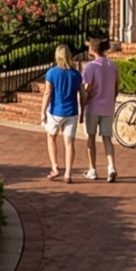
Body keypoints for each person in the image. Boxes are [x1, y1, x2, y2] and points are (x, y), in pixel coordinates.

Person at [79, 35, 120, 182]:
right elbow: (116, 88)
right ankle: (111, 167)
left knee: (91, 137)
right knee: (107, 138)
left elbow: (87, 88)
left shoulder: (90, 67)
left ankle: (93, 169)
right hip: (107, 107)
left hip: (93, 107)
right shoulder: (112, 66)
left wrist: (82, 107)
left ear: (92, 49)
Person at [40, 43, 83, 181]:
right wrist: (82, 110)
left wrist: (42, 111)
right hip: (72, 111)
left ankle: (55, 167)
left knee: (51, 136)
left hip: (55, 111)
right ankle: (68, 173)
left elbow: (47, 93)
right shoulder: (76, 74)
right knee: (69, 143)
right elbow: (83, 94)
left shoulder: (52, 73)